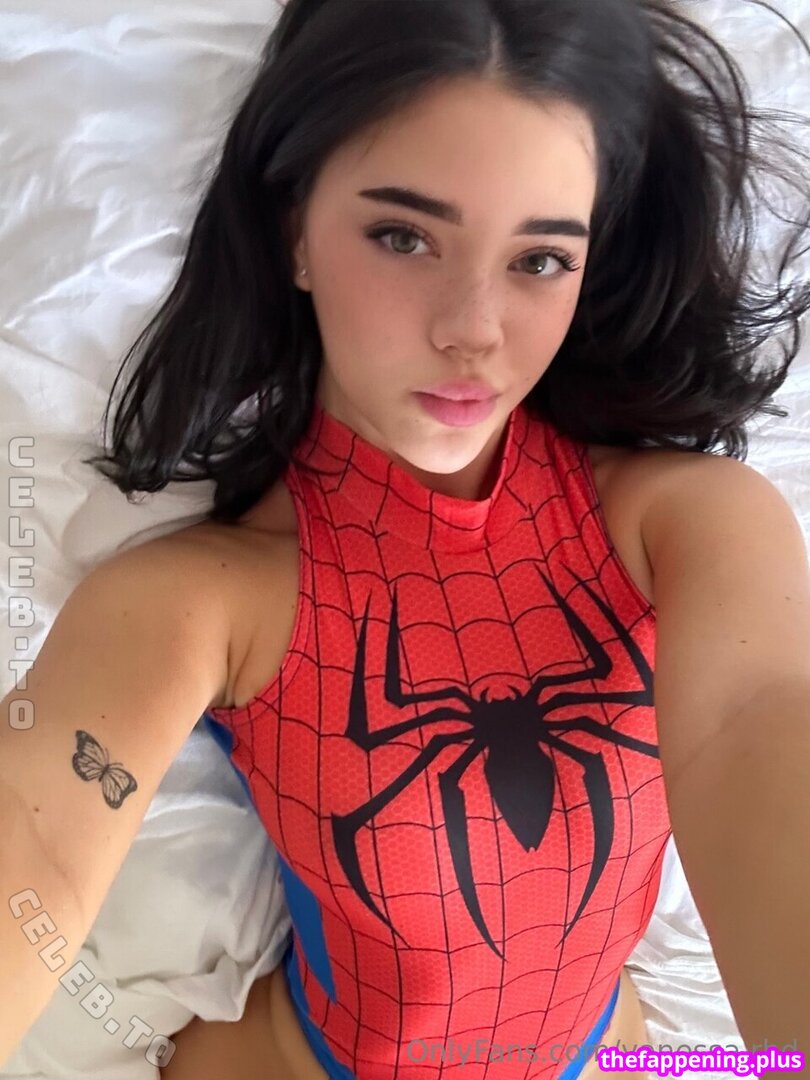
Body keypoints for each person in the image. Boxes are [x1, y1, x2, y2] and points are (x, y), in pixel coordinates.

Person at [2, 0, 809, 1078]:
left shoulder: (694, 526)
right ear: (294, 230)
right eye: (403, 237)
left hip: (624, 1060)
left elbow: (762, 730)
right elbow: (36, 846)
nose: (472, 328)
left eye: (540, 260)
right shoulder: (204, 600)